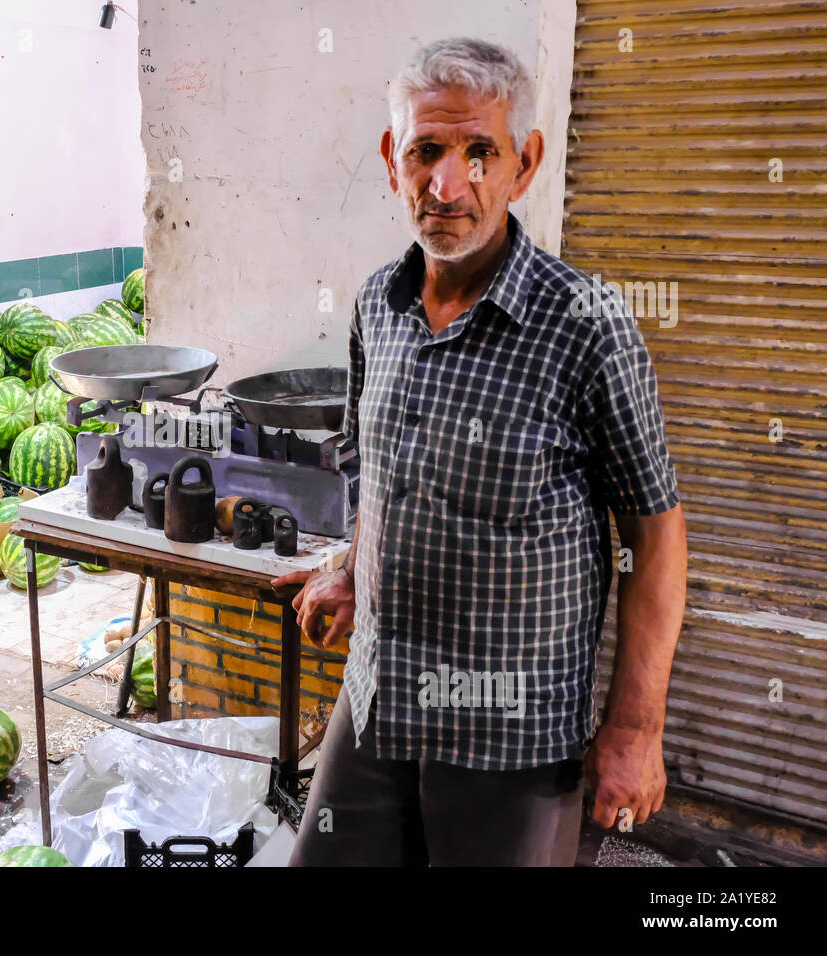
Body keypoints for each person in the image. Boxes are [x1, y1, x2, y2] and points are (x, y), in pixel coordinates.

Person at [274, 37, 688, 866]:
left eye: (479, 153)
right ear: (395, 159)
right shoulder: (377, 307)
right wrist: (353, 570)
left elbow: (656, 536)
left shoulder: (588, 325)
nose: (448, 184)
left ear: (524, 165)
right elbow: (385, 477)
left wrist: (636, 729)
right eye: (427, 150)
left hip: (513, 735)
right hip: (379, 696)